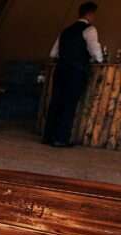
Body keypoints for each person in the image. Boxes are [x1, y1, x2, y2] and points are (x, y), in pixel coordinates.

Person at [44, 1, 103, 147]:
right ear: (89, 14)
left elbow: (53, 53)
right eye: (94, 14)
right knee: (69, 104)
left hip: (60, 70)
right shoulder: (90, 30)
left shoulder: (65, 31)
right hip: (76, 71)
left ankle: (48, 137)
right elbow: (96, 52)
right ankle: (61, 139)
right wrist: (99, 59)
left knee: (56, 102)